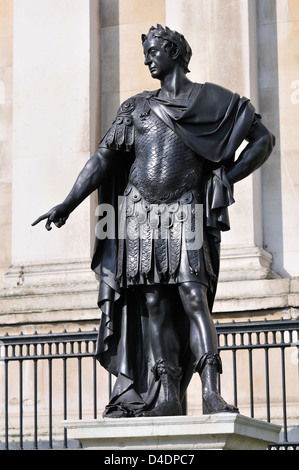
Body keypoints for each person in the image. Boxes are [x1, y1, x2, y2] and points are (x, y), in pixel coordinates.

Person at [32, 25, 275, 418]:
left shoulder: (214, 101)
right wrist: (67, 203)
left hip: (186, 210)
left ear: (175, 52)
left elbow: (263, 141)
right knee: (153, 303)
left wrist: (226, 178)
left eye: (154, 50)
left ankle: (212, 391)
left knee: (194, 297)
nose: (147, 58)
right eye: (145, 52)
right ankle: (166, 393)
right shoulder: (135, 108)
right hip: (141, 214)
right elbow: (103, 160)